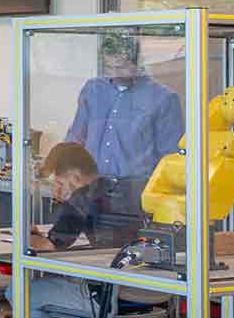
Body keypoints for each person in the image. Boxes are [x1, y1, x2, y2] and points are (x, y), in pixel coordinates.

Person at [24, 142, 119, 318]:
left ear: (75, 177)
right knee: (67, 287)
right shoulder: (116, 187)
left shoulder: (82, 197)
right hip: (146, 295)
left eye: (58, 182)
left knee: (21, 293)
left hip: (106, 298)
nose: (56, 190)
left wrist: (28, 235)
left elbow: (49, 247)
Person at [64, 34, 183, 215]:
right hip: (91, 188)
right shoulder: (93, 89)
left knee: (127, 242)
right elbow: (76, 136)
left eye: (120, 67)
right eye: (109, 66)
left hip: (135, 192)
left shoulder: (163, 98)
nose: (114, 73)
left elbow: (170, 155)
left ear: (136, 62)